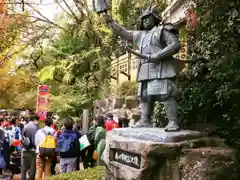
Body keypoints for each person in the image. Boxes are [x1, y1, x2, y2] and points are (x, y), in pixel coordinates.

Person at [104, 5, 183, 132]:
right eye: (143, 19)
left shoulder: (162, 30)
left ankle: (173, 121)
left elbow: (175, 45)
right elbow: (123, 32)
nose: (145, 20)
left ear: (154, 18)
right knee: (145, 96)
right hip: (144, 70)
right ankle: (145, 119)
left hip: (160, 67)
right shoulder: (139, 35)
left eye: (147, 18)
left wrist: (159, 55)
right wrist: (111, 22)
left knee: (166, 93)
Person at [21, 115, 39, 180]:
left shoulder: (25, 126)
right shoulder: (36, 127)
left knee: (23, 168)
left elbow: (22, 138)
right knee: (32, 168)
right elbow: (36, 140)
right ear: (35, 119)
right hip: (32, 150)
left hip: (24, 149)